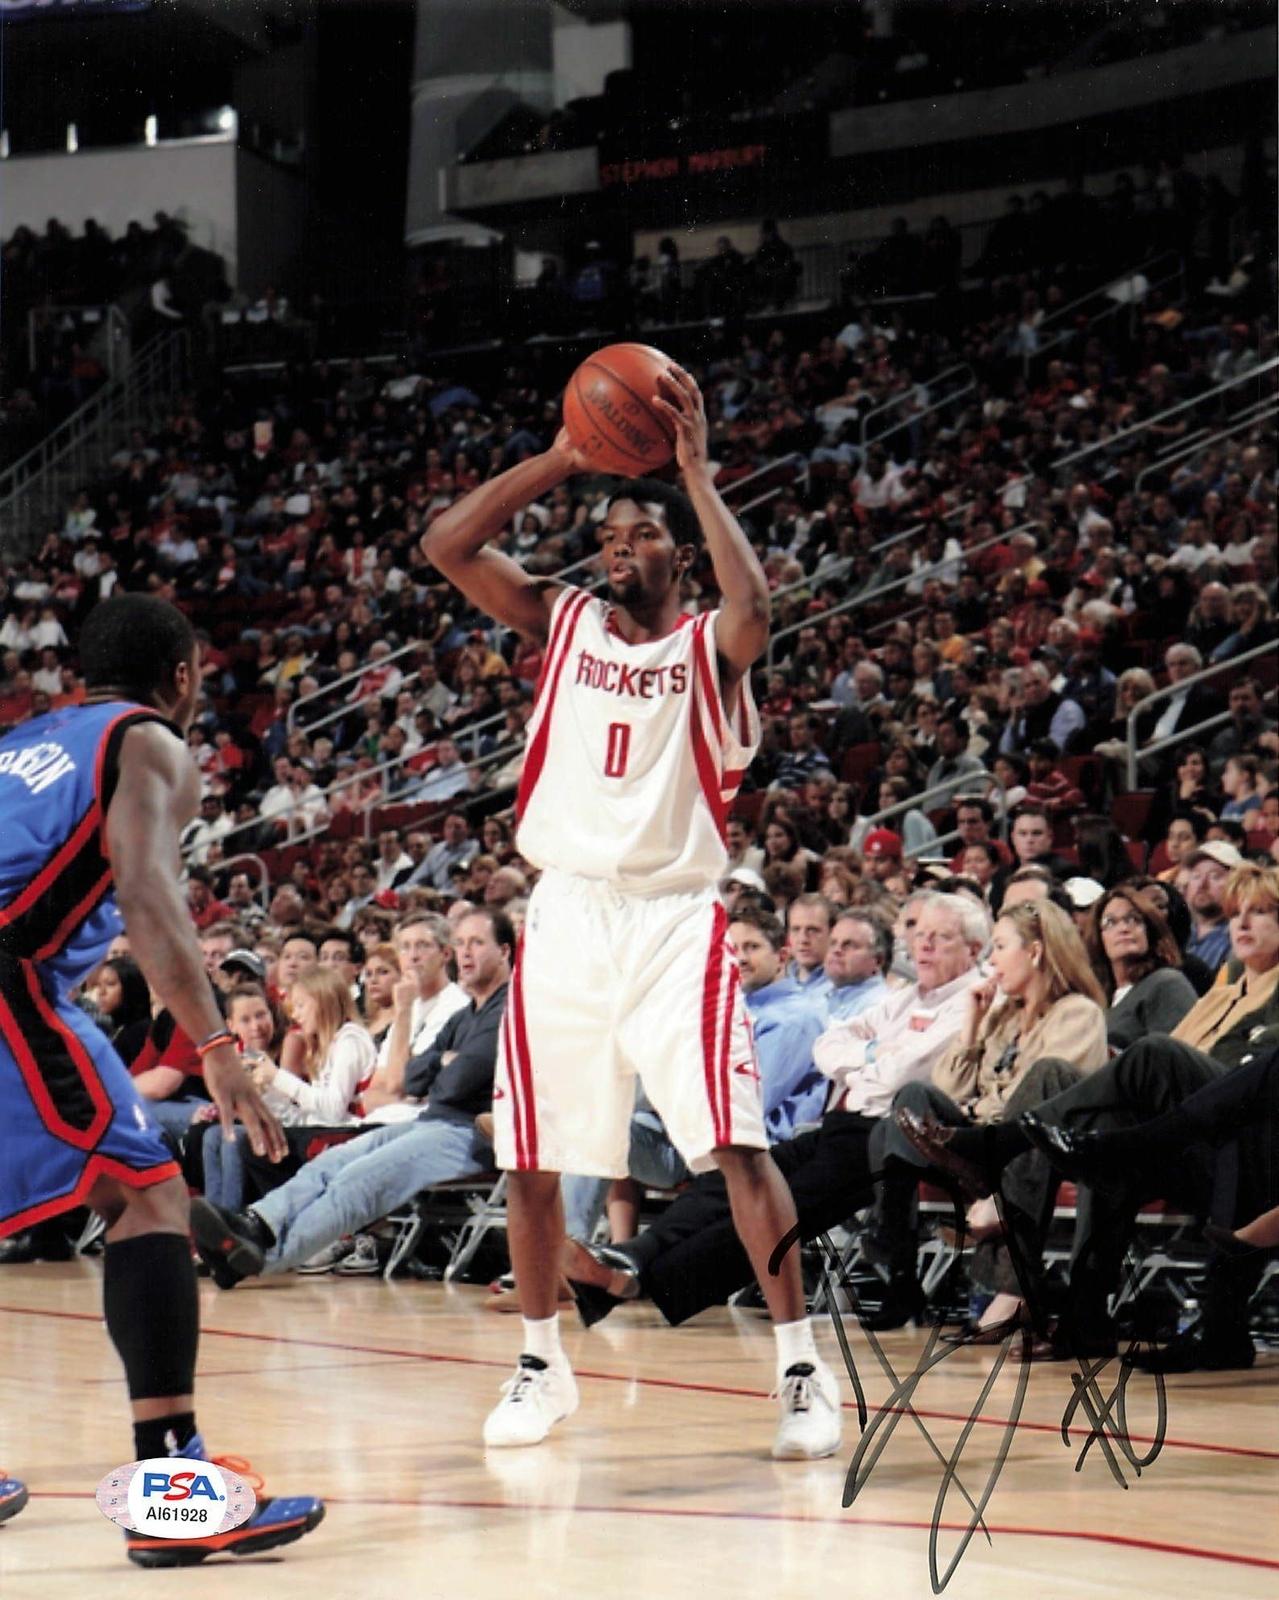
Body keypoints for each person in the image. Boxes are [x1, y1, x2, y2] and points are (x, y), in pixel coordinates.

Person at [412, 362, 842, 1460]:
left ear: (678, 552)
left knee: (734, 1150)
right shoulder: (564, 623)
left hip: (670, 918)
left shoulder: (710, 649)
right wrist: (564, 453)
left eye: (637, 534)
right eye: (604, 533)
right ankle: (540, 1366)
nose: (614, 547)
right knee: (531, 1157)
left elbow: (755, 608)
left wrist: (694, 475)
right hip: (562, 916)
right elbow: (446, 547)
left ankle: (801, 1369)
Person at [0, 594, 322, 1564]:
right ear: (181, 678)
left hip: (29, 982)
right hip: (12, 979)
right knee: (147, 1196)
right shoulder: (148, 743)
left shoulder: (25, 739)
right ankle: (176, 1498)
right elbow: (146, 894)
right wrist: (217, 1045)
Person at [903, 863, 1279, 1366]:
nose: (1243, 924)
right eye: (1237, 914)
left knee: (1150, 1056)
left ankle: (1008, 1145)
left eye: (1261, 912)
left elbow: (1241, 1081)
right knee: (1104, 1140)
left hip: (1253, 1158)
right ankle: (1086, 1315)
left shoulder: (1173, 986)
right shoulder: (1224, 990)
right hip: (1195, 1150)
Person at [561, 892, 987, 1329]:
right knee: (732, 1181)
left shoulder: (969, 1000)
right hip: (842, 1125)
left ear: (973, 949)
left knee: (776, 1208)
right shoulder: (908, 997)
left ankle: (639, 1284)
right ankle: (632, 1254)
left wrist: (861, 1058)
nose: (925, 946)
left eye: (942, 937)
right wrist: (873, 1054)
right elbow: (829, 1047)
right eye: (920, 935)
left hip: (895, 1138)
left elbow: (903, 1072)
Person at [190, 909, 509, 1281]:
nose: (466, 952)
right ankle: (257, 1222)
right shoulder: (467, 1015)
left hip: (473, 1133)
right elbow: (412, 1078)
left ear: (504, 951)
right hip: (430, 1120)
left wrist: (436, 1065)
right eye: (461, 942)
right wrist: (443, 1062)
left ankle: (262, 1258)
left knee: (358, 1179)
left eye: (477, 943)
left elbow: (456, 1082)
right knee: (330, 1163)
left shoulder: (505, 1010)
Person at [871, 899, 1108, 1336]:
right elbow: (950, 1091)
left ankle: (1010, 1282)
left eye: (999, 947)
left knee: (1045, 1076)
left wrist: (982, 1115)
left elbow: (1047, 1102)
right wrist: (972, 1025)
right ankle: (896, 1258)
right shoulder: (1000, 1015)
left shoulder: (1079, 1013)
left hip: (1034, 1148)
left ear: (1035, 952)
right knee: (909, 1101)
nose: (991, 960)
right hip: (978, 1143)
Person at [1086, 884, 1198, 1050]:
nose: (1124, 928)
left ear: (1150, 930)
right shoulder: (1099, 1004)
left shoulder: (1165, 984)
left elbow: (1175, 1059)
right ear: (1099, 939)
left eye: (1133, 919)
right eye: (1110, 922)